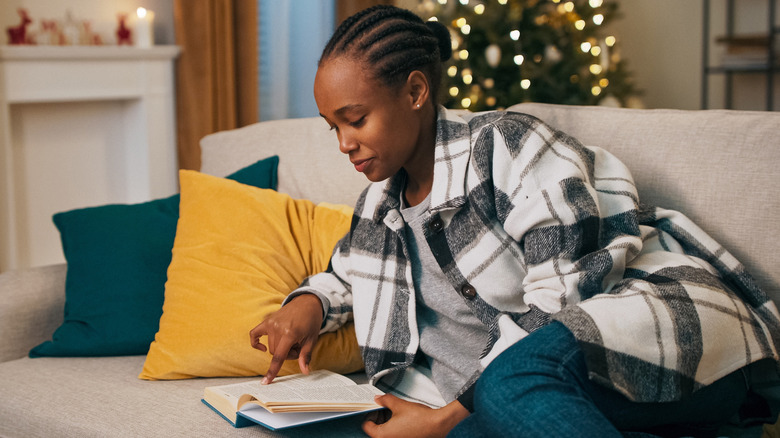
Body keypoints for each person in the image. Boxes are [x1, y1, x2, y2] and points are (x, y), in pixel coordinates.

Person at [250, 5, 780, 437]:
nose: (344, 143)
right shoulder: (377, 208)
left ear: (415, 92)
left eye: (356, 119)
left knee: (504, 387)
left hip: (653, 348)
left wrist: (447, 417)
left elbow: (564, 291)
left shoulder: (503, 146)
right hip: (535, 400)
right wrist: (306, 306)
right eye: (333, 127)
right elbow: (347, 275)